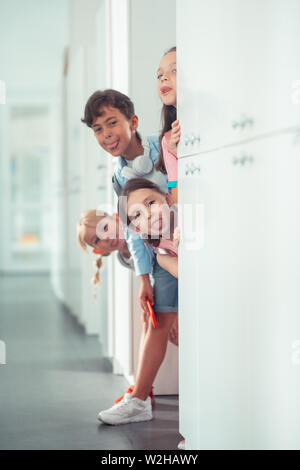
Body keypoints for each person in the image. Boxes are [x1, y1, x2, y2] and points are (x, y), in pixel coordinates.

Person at [81, 90, 178, 425]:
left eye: (112, 123)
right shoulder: (120, 178)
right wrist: (143, 279)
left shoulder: (164, 146)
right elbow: (135, 232)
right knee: (156, 321)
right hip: (160, 253)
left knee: (162, 322)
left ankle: (140, 396)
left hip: (185, 237)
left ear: (132, 122)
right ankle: (141, 396)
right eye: (97, 129)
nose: (106, 134)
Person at [118, 178, 179, 279]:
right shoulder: (163, 255)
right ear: (138, 230)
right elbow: (188, 275)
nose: (148, 214)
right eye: (138, 215)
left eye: (151, 203)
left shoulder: (185, 211)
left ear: (167, 199)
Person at [155, 46, 180, 205]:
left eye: (174, 70)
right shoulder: (167, 140)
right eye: (159, 75)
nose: (163, 77)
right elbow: (175, 195)